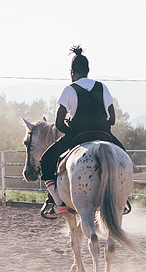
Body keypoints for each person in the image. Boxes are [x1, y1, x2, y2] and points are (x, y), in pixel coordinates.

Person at [40, 45, 126, 218]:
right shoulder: (103, 88)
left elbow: (58, 123)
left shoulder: (69, 90)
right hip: (104, 134)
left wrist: (71, 130)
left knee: (46, 161)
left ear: (71, 72)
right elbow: (113, 120)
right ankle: (122, 198)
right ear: (88, 70)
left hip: (78, 136)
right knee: (124, 159)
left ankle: (58, 203)